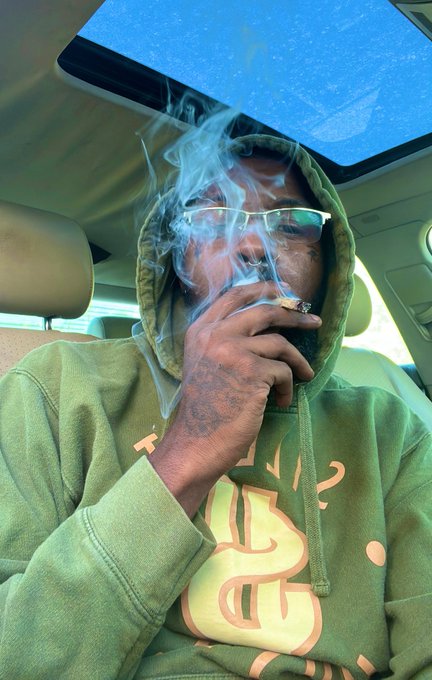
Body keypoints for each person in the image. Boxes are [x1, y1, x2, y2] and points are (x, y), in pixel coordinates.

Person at [0, 129, 431, 680]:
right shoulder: (54, 388)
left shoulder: (389, 429)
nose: (252, 246)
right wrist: (190, 447)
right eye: (213, 219)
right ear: (177, 257)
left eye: (289, 224)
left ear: (329, 265)